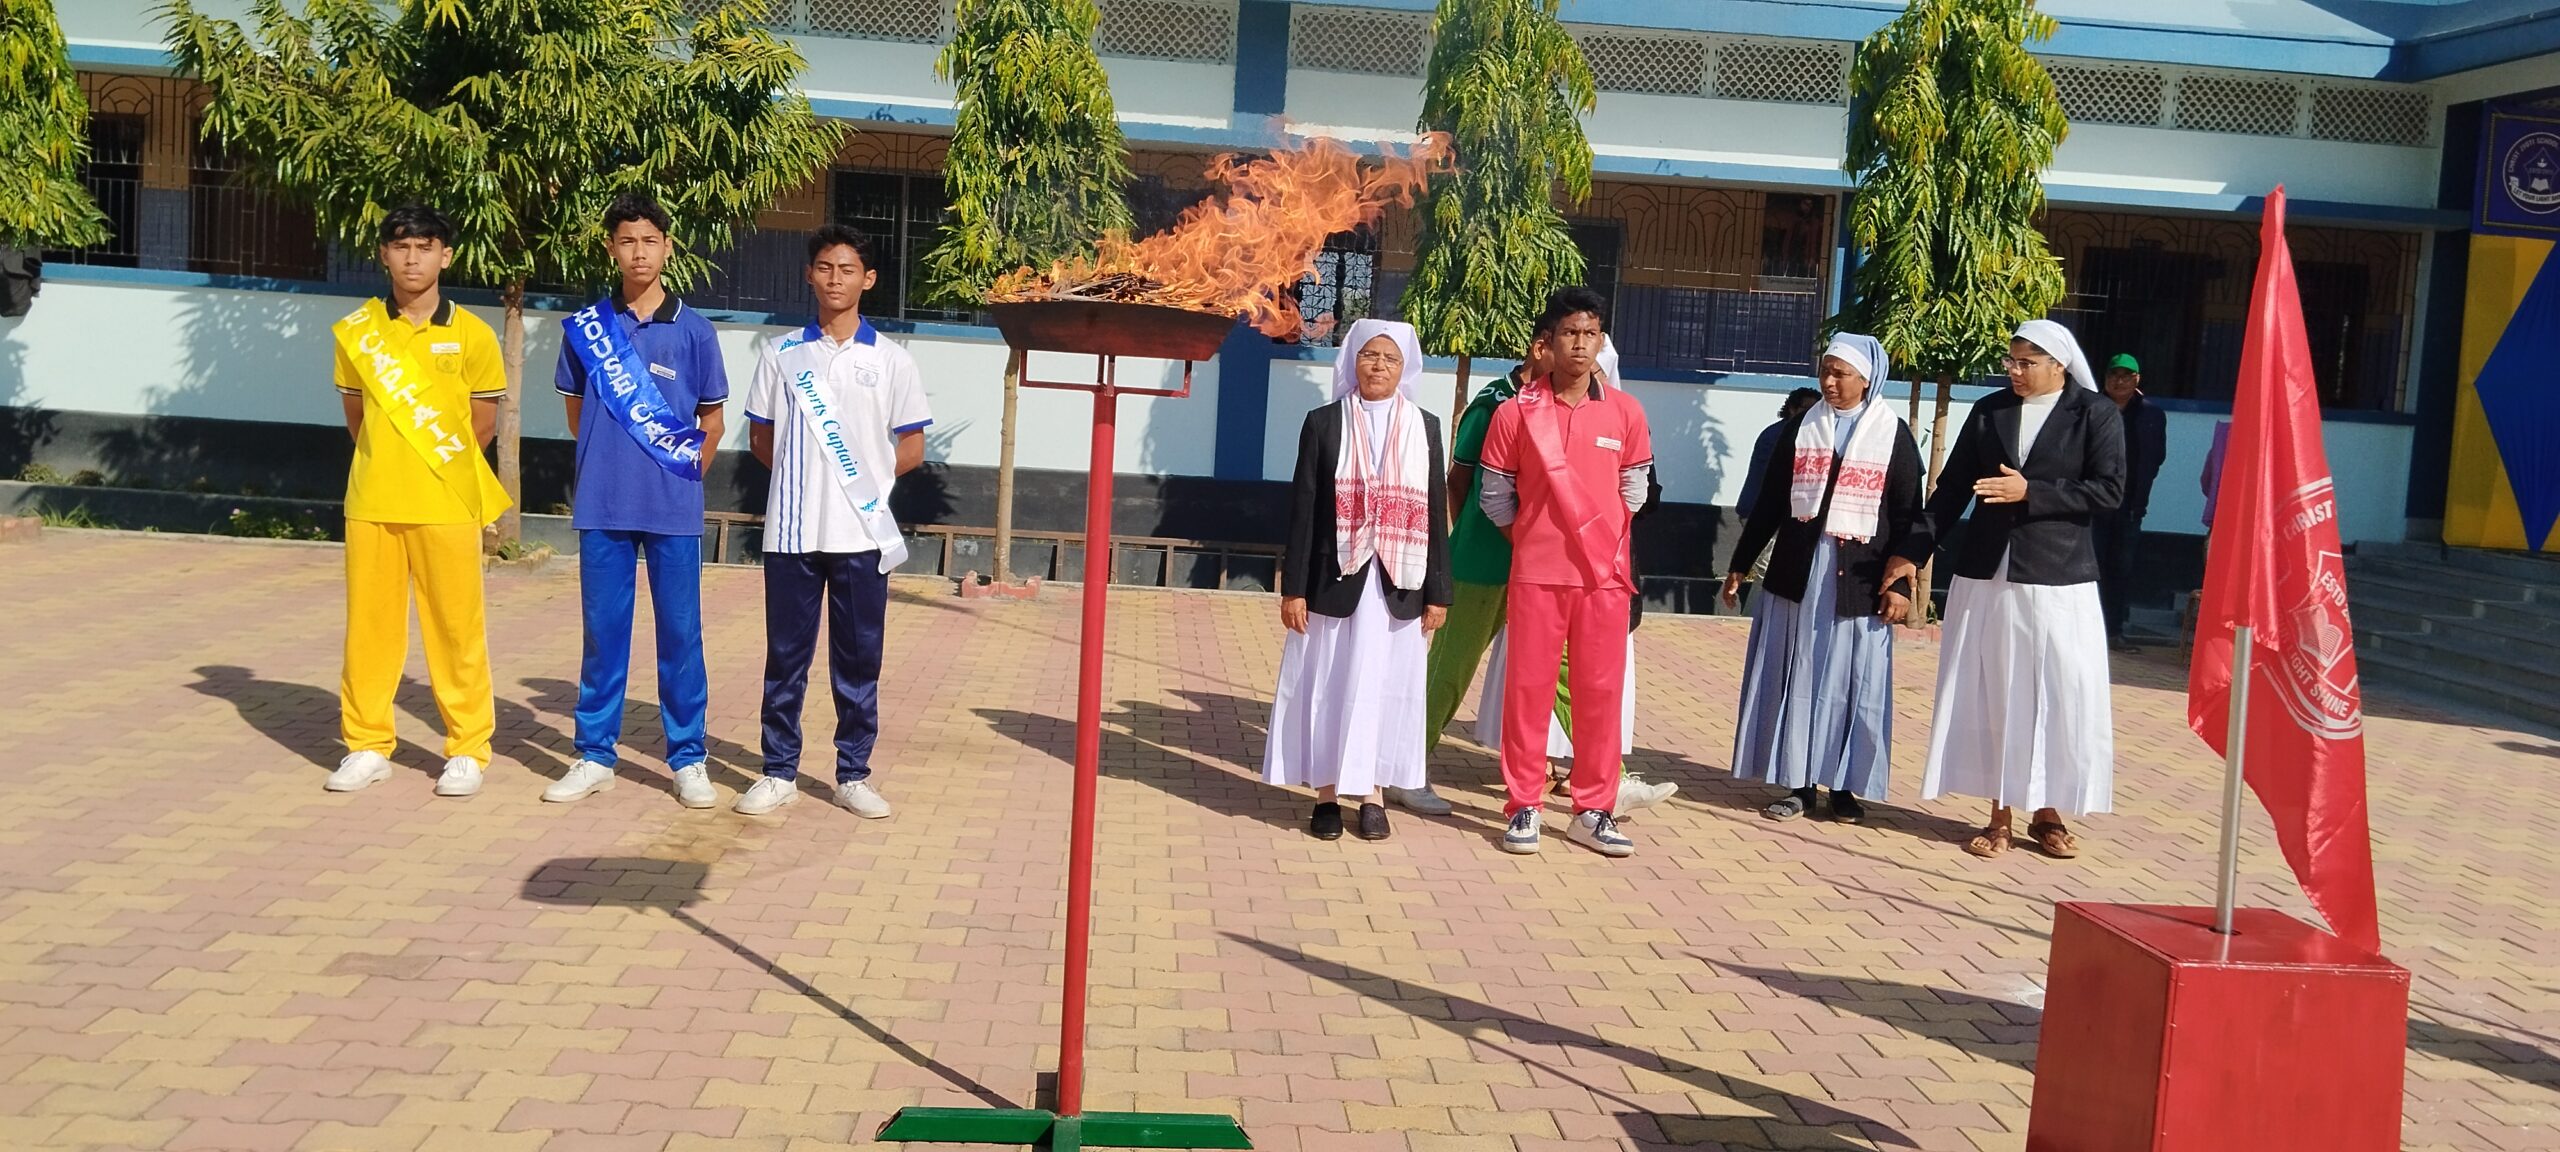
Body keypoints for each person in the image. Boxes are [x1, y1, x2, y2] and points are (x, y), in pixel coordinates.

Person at [735, 224, 932, 818]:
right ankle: (778, 771)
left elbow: (911, 447)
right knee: (784, 658)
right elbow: (762, 438)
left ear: (868, 279)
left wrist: (863, 488)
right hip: (791, 532)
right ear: (809, 275)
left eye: (847, 270)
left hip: (862, 535)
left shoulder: (892, 359)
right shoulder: (781, 354)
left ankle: (853, 774)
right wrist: (805, 482)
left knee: (859, 660)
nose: (835, 279)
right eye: (825, 268)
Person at [544, 194, 729, 808]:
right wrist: (609, 463)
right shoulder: (587, 330)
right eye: (627, 240)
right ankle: (594, 754)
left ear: (668, 247)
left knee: (681, 635)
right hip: (603, 504)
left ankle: (689, 757)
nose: (639, 252)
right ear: (611, 248)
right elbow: (577, 414)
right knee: (603, 634)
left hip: (673, 508)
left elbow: (712, 421)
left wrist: (682, 476)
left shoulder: (695, 331)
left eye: (650, 240)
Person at [322, 204, 511, 797]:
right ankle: (367, 744)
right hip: (373, 501)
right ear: (383, 254)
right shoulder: (358, 333)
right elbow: (357, 418)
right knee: (369, 631)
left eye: (425, 247)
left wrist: (436, 469)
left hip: (448, 504)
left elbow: (482, 426)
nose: (412, 258)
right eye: (401, 247)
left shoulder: (474, 334)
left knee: (456, 631)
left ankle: (468, 749)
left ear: (445, 256)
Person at [1920, 319, 2125, 859]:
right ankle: (2000, 816)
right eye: (2009, 361)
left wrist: (2031, 490)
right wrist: (1911, 552)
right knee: (1999, 692)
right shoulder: (1990, 411)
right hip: (1989, 575)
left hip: (2059, 577)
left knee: (2058, 693)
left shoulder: (2095, 413)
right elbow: (1952, 489)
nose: (2013, 371)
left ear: (2059, 365)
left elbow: (2109, 491)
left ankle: (2048, 814)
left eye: (2025, 363)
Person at [1720, 334, 1930, 822]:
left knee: (1850, 682)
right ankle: (1798, 784)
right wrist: (1740, 564)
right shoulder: (1801, 429)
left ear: (1867, 380)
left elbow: (1908, 515)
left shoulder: (1892, 434)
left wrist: (1901, 585)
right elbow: (1771, 502)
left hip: (1860, 583)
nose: (1830, 382)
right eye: (1825, 371)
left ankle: (1843, 787)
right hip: (1799, 577)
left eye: (1841, 374)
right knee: (1797, 676)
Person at [1479, 287, 1655, 858]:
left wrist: (1601, 543)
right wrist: (1535, 540)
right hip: (1537, 575)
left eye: (1590, 334)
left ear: (1602, 342)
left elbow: (1635, 490)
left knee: (1600, 693)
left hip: (1604, 577)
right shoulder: (1514, 413)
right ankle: (1523, 805)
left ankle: (1593, 809)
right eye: (1570, 334)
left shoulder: (1626, 412)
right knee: (1527, 690)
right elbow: (1495, 496)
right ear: (1547, 343)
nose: (1581, 344)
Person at [1264, 319, 1453, 841]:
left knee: (1384, 689)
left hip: (1399, 583)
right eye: (1370, 355)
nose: (1378, 366)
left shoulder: (1424, 426)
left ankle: (1372, 794)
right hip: (1332, 578)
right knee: (1328, 685)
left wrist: (1439, 592)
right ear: (1352, 361)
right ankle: (1326, 795)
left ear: (1404, 369)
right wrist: (1293, 588)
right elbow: (1304, 509)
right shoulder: (1323, 423)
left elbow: (1435, 511)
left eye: (1391, 359)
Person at [2095, 353, 2166, 652]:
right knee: (2090, 569)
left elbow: (2156, 457)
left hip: (2130, 507)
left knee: (2120, 571)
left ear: (2137, 379)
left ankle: (2113, 631)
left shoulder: (2152, 414)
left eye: (2126, 376)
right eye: (2114, 374)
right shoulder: (2091, 408)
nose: (2119, 381)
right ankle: (2088, 632)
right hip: (2092, 505)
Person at [1734, 387, 1825, 578]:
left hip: (1776, 514)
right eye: (1806, 409)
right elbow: (1779, 480)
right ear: (1792, 408)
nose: (1812, 415)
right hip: (1763, 514)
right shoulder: (1782, 436)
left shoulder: (1795, 433)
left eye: (1816, 410)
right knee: (1772, 573)